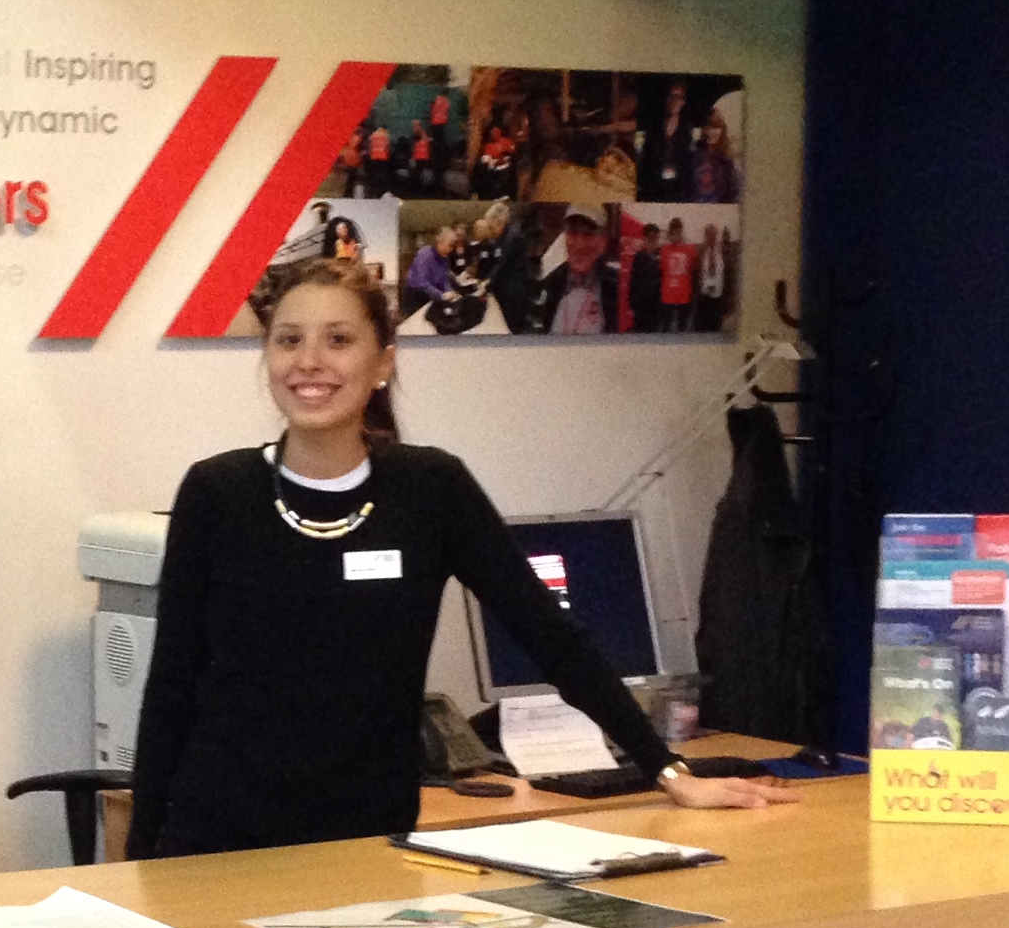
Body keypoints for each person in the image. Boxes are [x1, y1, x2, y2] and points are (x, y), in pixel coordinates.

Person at [127, 260, 798, 859]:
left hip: (368, 838)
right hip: (219, 842)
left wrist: (668, 771)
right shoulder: (218, 492)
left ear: (383, 360)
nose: (309, 361)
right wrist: (137, 864)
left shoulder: (430, 488)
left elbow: (550, 636)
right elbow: (171, 686)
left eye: (339, 339)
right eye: (288, 339)